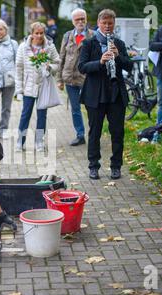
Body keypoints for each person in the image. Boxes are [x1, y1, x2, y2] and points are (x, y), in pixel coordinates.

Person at [78, 9, 133, 180]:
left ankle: (116, 166)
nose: (108, 26)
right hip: (95, 93)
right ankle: (93, 166)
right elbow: (82, 67)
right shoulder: (89, 43)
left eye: (110, 23)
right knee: (95, 131)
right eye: (104, 23)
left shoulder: (119, 43)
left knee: (117, 132)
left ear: (114, 24)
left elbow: (129, 66)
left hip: (115, 93)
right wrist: (100, 61)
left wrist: (117, 56)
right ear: (99, 23)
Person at [15, 22, 60, 152]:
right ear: (32, 33)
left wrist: (50, 67)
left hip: (43, 86)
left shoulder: (50, 47)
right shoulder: (23, 47)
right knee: (25, 114)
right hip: (28, 86)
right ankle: (20, 141)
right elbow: (18, 68)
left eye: (41, 33)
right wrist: (19, 89)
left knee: (42, 115)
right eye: (36, 33)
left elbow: (57, 62)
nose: (39, 36)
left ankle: (39, 141)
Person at [57, 8, 94, 147]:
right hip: (70, 78)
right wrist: (59, 79)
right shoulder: (67, 36)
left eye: (82, 19)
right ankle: (80, 135)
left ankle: (93, 134)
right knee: (75, 109)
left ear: (86, 19)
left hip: (87, 78)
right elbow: (62, 57)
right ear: (73, 21)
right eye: (77, 19)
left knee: (91, 107)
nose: (80, 21)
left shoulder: (93, 35)